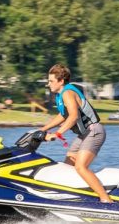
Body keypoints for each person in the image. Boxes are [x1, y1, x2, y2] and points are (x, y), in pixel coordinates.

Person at [40, 64, 113, 203]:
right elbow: (62, 116)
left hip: (94, 131)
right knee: (67, 167)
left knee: (80, 166)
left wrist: (57, 134)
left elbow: (73, 117)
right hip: (84, 134)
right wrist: (43, 130)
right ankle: (74, 197)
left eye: (51, 81)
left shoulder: (68, 92)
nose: (48, 84)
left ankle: (106, 199)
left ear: (61, 81)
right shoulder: (60, 96)